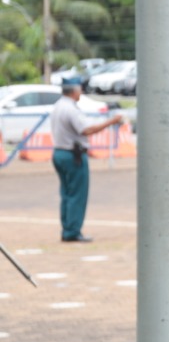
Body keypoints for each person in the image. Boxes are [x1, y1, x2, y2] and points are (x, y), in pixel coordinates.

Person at [49, 76, 126, 242]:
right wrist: (111, 121)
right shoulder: (70, 108)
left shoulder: (58, 106)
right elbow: (87, 129)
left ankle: (68, 228)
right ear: (75, 90)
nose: (82, 92)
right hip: (72, 155)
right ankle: (72, 231)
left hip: (60, 152)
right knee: (77, 194)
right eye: (81, 89)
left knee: (67, 193)